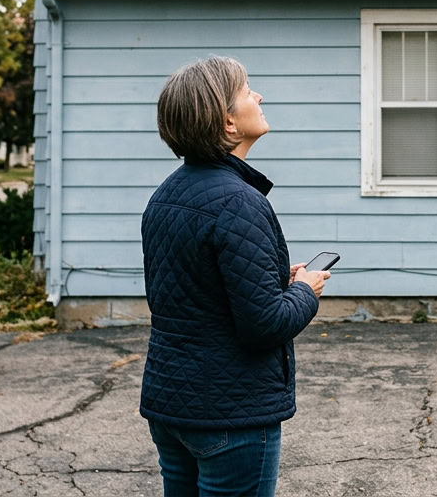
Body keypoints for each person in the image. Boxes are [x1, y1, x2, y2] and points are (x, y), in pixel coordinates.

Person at [140, 55, 331, 497]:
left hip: (172, 405)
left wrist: (271, 278)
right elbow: (264, 324)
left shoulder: (165, 195)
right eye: (248, 91)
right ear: (228, 123)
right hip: (231, 415)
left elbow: (195, 291)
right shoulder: (239, 202)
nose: (258, 96)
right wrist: (305, 290)